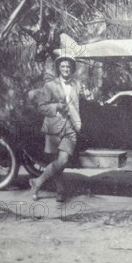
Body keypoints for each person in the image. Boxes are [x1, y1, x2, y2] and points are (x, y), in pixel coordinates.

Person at [29, 51, 82, 202]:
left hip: (70, 128)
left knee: (63, 161)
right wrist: (57, 106)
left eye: (68, 66)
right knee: (57, 163)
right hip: (53, 128)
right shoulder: (50, 86)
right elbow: (41, 107)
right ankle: (60, 190)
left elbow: (77, 103)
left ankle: (37, 182)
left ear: (72, 68)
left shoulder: (77, 85)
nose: (66, 69)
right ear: (59, 68)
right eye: (63, 66)